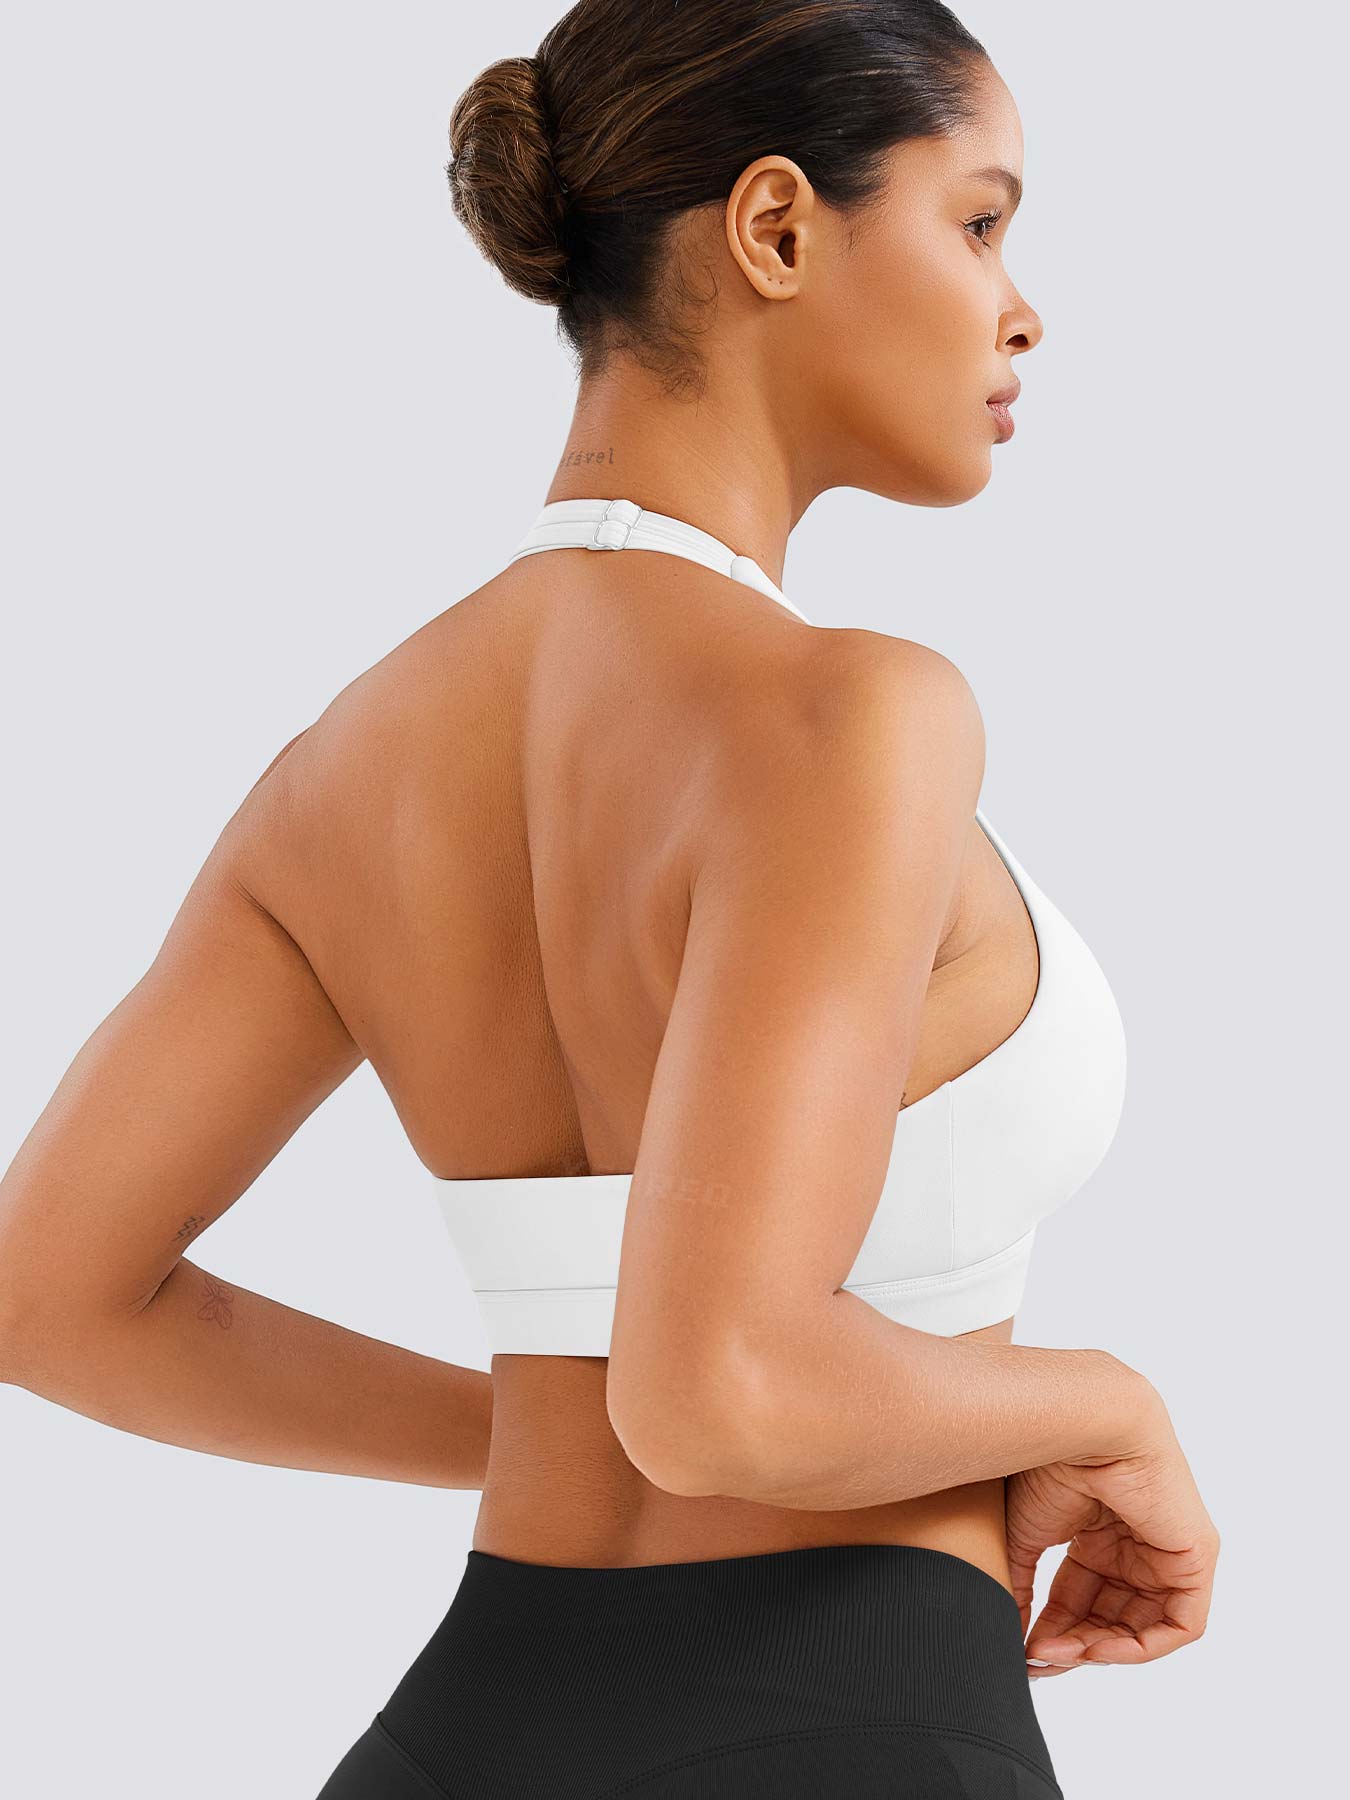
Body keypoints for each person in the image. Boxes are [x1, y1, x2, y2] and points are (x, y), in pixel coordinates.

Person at [0, 2, 1219, 1795]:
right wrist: (1109, 1406)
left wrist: (527, 1428)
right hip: (855, 1735)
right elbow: (723, 1387)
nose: (1019, 306)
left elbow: (49, 1299)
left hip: (451, 1742)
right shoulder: (850, 713)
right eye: (976, 220)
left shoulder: (345, 768)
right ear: (776, 225)